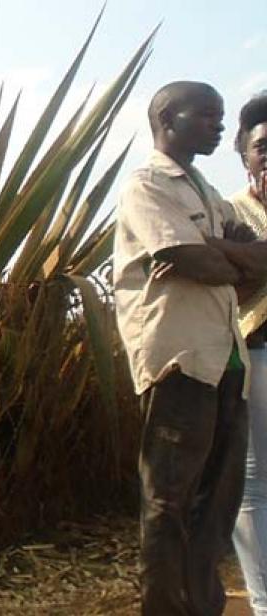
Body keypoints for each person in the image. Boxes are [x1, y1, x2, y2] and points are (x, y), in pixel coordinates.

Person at [113, 81, 267, 616]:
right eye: (206, 115)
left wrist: (214, 252)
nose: (219, 126)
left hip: (226, 361)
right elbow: (190, 259)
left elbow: (252, 259)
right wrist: (222, 258)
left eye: (221, 116)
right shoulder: (147, 185)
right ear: (166, 118)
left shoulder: (206, 192)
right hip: (180, 362)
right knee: (169, 505)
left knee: (218, 505)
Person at [230, 92, 267, 616]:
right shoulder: (228, 211)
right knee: (254, 486)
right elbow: (224, 284)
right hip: (255, 357)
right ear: (244, 156)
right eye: (262, 146)